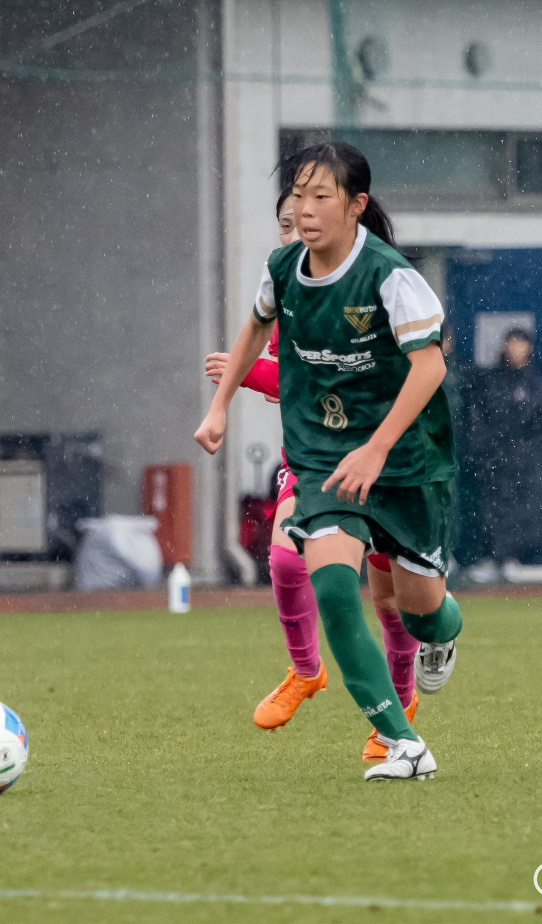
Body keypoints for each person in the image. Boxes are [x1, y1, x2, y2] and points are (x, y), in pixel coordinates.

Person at [196, 141, 462, 781]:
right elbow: (256, 328)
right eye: (297, 197)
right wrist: (221, 406)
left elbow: (431, 365)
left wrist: (377, 448)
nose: (304, 210)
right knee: (335, 585)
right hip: (322, 458)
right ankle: (402, 743)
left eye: (321, 197)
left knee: (419, 608)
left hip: (404, 462)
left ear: (356, 205)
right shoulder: (283, 267)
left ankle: (444, 631)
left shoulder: (391, 277)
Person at [464, 327, 542, 584]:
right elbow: (475, 415)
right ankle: (490, 558)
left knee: (524, 511)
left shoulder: (535, 384)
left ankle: (512, 559)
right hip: (493, 462)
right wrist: (485, 446)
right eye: (511, 343)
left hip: (524, 463)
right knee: (490, 509)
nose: (515, 349)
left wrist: (527, 436)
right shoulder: (489, 382)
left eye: (521, 344)